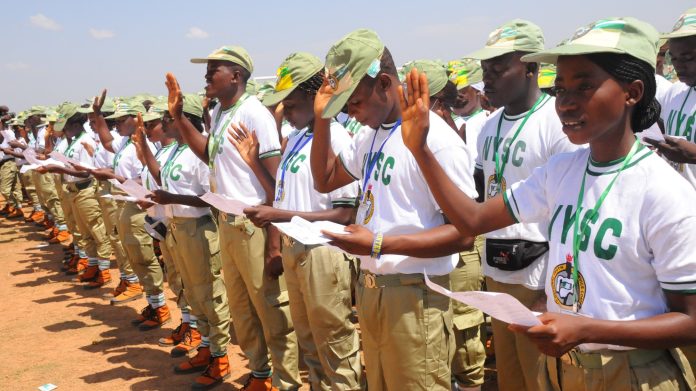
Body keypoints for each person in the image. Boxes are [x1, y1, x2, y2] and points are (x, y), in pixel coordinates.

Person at [403, 16, 696, 391]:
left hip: (631, 372)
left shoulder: (664, 192)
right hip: (565, 369)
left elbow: (689, 320)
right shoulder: (561, 171)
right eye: (559, 89)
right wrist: (421, 149)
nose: (566, 103)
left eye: (584, 86)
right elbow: (473, 219)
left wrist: (586, 328)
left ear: (632, 93)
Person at [310, 29, 477, 390]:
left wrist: (379, 244)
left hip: (415, 296)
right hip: (374, 290)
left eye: (353, 103)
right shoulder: (368, 135)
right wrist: (322, 119)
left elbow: (464, 234)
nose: (351, 114)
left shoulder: (437, 141)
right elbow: (324, 180)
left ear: (384, 82)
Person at [228, 52, 363, 391]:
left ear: (313, 96)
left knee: (335, 346)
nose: (283, 112)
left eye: (289, 105)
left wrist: (278, 215)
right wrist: (256, 164)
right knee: (310, 346)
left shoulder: (336, 138)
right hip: (296, 250)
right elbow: (284, 196)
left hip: (323, 252)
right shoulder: (298, 138)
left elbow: (344, 213)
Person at [169, 44, 301, 390]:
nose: (206, 77)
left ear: (236, 76)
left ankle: (285, 381)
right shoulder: (223, 113)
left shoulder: (254, 113)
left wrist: (274, 244)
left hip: (254, 227)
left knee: (271, 311)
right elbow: (209, 156)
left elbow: (276, 185)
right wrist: (181, 117)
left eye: (214, 71)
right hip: (228, 225)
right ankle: (260, 375)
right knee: (243, 312)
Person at [466, 19, 581, 391]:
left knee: (542, 380)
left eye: (499, 68)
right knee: (511, 378)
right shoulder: (488, 127)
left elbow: (572, 213)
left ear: (531, 68)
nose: (488, 77)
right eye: (485, 69)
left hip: (539, 279)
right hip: (497, 272)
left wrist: (557, 292)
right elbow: (484, 195)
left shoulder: (554, 123)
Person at [402, 59, 487, 391]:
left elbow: (462, 220)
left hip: (457, 248)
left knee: (465, 333)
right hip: (436, 249)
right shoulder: (426, 131)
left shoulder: (444, 137)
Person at [142, 91, 232, 390]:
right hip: (178, 228)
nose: (164, 122)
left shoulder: (199, 153)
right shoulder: (176, 152)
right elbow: (162, 181)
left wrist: (173, 198)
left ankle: (220, 358)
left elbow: (212, 199)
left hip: (198, 229)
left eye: (169, 117)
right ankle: (206, 347)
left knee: (210, 294)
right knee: (193, 294)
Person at [89, 95, 170, 328]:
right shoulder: (126, 142)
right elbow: (107, 142)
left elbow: (147, 180)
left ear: (137, 119)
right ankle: (153, 304)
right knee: (134, 256)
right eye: (113, 120)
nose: (115, 124)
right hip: (128, 202)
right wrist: (97, 114)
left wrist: (113, 176)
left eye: (121, 119)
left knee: (145, 257)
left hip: (141, 205)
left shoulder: (147, 145)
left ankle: (160, 307)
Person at [38, 103, 113, 288]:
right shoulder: (71, 142)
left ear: (74, 124)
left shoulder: (84, 140)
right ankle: (92, 265)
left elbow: (87, 172)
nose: (63, 129)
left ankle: (104, 270)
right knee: (84, 232)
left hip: (85, 189)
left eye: (66, 125)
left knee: (96, 230)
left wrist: (58, 168)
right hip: (73, 190)